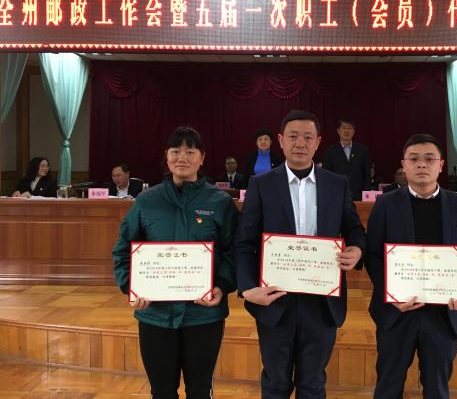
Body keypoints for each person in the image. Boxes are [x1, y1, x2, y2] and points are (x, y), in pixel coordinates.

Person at [235, 110, 366, 399]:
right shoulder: (261, 184)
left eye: (308, 137)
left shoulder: (337, 184)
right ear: (280, 140)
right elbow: (244, 243)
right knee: (275, 383)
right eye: (293, 136)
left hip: (322, 301)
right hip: (274, 299)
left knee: (313, 383)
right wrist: (246, 288)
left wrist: (357, 250)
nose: (300, 143)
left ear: (318, 142)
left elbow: (355, 230)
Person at [112, 126, 237, 399]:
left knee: (200, 390)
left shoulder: (220, 202)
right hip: (155, 315)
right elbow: (123, 251)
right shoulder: (146, 201)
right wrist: (131, 286)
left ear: (202, 158)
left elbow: (233, 252)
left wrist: (223, 285)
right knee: (162, 391)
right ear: (166, 157)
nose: (182, 157)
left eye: (190, 151)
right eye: (175, 151)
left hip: (204, 314)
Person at [365, 134, 457, 399]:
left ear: (441, 165)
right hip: (397, 311)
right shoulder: (385, 204)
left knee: (437, 388)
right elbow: (373, 255)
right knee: (388, 385)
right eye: (414, 159)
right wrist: (391, 294)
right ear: (404, 165)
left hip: (444, 313)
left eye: (429, 159)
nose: (422, 164)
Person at [322, 119, 371, 201]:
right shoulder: (330, 151)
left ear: (354, 132)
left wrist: (365, 195)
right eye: (344, 128)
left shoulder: (363, 150)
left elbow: (367, 175)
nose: (347, 131)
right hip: (337, 195)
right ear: (338, 131)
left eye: (350, 128)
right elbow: (326, 176)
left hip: (358, 197)